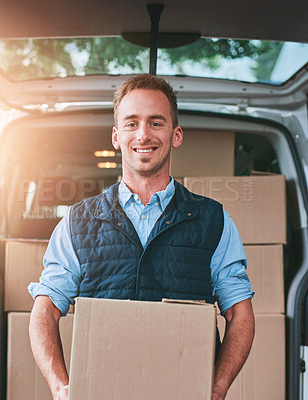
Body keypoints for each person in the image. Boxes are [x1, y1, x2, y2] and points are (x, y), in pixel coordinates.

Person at [28, 74, 255, 400]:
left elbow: (240, 314)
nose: (144, 135)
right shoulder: (78, 222)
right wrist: (60, 386)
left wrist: (217, 389)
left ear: (176, 135)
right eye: (131, 124)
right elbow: (45, 309)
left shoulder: (213, 220)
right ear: (117, 137)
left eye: (156, 123)